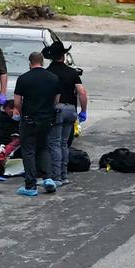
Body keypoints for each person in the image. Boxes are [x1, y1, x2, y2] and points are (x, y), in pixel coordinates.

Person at [13, 52, 61, 196]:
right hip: (47, 119)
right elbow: (57, 100)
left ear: (30, 62)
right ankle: (47, 178)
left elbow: (17, 102)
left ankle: (30, 185)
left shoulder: (23, 79)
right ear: (43, 62)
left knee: (28, 150)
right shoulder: (53, 78)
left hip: (30, 119)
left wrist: (21, 112)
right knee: (43, 147)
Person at [44, 41, 88, 184]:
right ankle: (64, 175)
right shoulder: (72, 72)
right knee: (64, 143)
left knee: (54, 143)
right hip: (70, 110)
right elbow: (82, 92)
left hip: (56, 110)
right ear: (63, 56)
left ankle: (56, 176)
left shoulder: (48, 73)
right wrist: (83, 111)